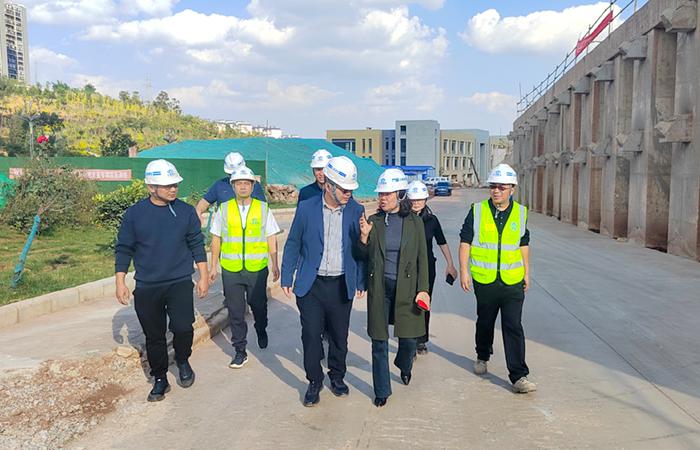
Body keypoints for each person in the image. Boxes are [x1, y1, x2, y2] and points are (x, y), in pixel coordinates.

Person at [115, 159, 209, 402]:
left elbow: (196, 244)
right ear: (151, 187)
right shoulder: (134, 214)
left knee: (183, 327)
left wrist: (203, 275)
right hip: (148, 285)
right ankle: (159, 378)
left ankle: (183, 360)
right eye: (167, 185)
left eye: (175, 184)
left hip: (179, 281)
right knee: (154, 335)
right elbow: (124, 248)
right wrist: (120, 281)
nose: (173, 189)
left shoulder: (186, 212)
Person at [281, 156, 366, 407]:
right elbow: (293, 242)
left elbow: (360, 251)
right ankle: (314, 381)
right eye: (344, 189)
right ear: (328, 185)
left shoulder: (356, 210)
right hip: (312, 285)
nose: (348, 194)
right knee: (310, 335)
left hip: (341, 284)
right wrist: (287, 274)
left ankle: (337, 377)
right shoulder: (307, 208)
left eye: (351, 189)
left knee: (339, 337)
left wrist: (361, 279)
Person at [458, 163, 536, 394]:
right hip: (485, 280)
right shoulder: (477, 210)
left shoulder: (521, 212)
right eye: (493, 186)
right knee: (485, 321)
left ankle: (519, 376)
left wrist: (527, 272)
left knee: (513, 326)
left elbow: (523, 244)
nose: (496, 191)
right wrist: (464, 270)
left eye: (502, 187)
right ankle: (482, 355)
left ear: (512, 189)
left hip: (512, 280)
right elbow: (465, 241)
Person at [358, 168, 430, 408]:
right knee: (379, 341)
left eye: (387, 194)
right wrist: (364, 238)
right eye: (380, 194)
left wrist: (423, 288)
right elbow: (362, 256)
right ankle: (381, 390)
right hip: (380, 288)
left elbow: (422, 258)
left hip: (407, 288)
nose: (382, 198)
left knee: (409, 339)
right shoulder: (374, 222)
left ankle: (404, 364)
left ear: (400, 194)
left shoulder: (414, 222)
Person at [208, 166, 281, 369]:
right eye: (239, 183)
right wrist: (213, 266)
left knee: (258, 306)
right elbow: (216, 238)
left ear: (252, 186)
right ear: (233, 186)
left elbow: (271, 236)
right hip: (231, 269)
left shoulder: (263, 208)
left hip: (257, 269)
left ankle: (261, 328)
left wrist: (275, 263)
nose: (242, 187)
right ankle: (240, 350)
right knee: (235, 311)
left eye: (246, 183)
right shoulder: (223, 209)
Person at [406, 180, 457, 355]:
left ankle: (421, 340)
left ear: (426, 200)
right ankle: (408, 340)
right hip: (406, 269)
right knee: (407, 304)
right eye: (413, 199)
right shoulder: (402, 218)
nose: (416, 203)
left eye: (420, 199)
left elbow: (442, 242)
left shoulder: (432, 220)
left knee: (424, 303)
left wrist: (450, 264)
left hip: (427, 268)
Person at [195, 152, 267, 223]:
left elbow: (264, 209)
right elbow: (205, 202)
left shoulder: (254, 185)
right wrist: (198, 212)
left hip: (250, 227)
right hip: (225, 227)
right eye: (230, 174)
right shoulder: (220, 185)